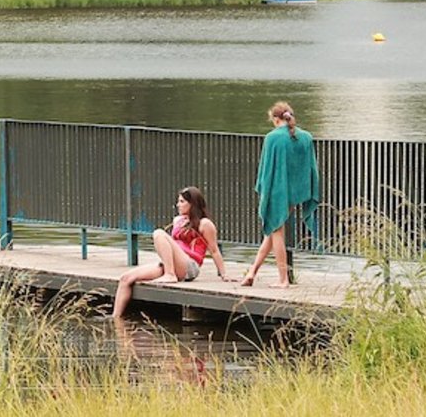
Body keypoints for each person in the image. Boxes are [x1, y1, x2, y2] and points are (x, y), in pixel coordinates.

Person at [112, 186, 232, 318]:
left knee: (159, 233)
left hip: (189, 266)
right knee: (125, 279)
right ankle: (115, 319)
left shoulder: (205, 224)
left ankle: (170, 275)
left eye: (182, 202)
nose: (177, 205)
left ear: (192, 204)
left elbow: (214, 250)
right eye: (178, 201)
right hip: (172, 264)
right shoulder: (178, 220)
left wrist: (224, 274)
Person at [241, 101, 319, 288]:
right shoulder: (306, 137)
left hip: (277, 191)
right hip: (295, 191)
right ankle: (252, 272)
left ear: (276, 119)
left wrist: (263, 189)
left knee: (276, 230)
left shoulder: (273, 138)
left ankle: (283, 280)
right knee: (273, 230)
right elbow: (311, 168)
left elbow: (266, 168)